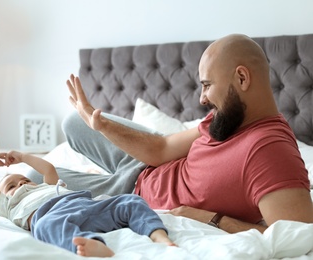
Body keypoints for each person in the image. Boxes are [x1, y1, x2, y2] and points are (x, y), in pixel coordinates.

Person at [58, 33, 313, 234]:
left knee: (30, 178)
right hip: (145, 165)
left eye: (207, 85)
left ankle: (106, 176)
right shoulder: (227, 116)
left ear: (242, 78)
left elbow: (297, 236)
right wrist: (101, 126)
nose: (202, 98)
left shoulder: (270, 152)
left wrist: (213, 219)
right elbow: (162, 149)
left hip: (131, 194)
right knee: (74, 121)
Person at [0, 151, 176, 257]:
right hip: (52, 216)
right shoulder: (10, 206)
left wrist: (23, 158)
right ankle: (91, 245)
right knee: (45, 227)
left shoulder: (44, 186)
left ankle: (157, 234)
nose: (21, 184)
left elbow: (47, 168)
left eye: (23, 179)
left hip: (84, 204)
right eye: (11, 186)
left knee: (130, 201)